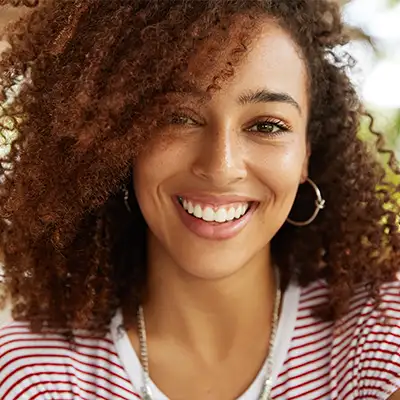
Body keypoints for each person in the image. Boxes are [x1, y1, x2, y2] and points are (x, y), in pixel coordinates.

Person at [0, 0, 399, 399]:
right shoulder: (35, 371)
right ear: (122, 140)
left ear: (306, 154)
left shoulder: (380, 328)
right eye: (179, 117)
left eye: (267, 125)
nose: (221, 167)